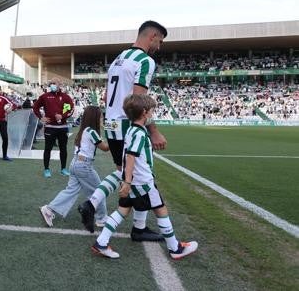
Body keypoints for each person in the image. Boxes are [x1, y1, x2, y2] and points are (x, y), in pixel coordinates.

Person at [79, 20, 168, 242]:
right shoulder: (145, 61)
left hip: (111, 124)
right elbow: (139, 100)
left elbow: (108, 97)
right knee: (141, 175)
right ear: (153, 36)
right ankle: (133, 225)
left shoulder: (119, 58)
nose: (160, 46)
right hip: (128, 125)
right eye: (161, 41)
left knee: (125, 173)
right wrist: (154, 130)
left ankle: (98, 206)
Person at [92, 94, 198, 260]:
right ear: (144, 113)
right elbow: (131, 156)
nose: (152, 114)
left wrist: (127, 181)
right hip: (142, 183)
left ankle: (101, 242)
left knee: (122, 211)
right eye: (151, 111)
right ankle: (175, 248)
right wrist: (127, 182)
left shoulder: (131, 130)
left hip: (134, 181)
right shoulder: (140, 134)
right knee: (161, 210)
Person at [40, 106, 109, 227]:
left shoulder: (84, 130)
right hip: (83, 165)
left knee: (70, 191)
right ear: (95, 117)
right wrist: (117, 139)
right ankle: (102, 219)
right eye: (100, 115)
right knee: (99, 191)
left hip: (75, 164)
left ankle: (49, 209)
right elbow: (105, 148)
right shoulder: (91, 131)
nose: (102, 117)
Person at [32, 78, 74, 178]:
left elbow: (70, 109)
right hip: (50, 127)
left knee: (63, 149)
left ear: (60, 84)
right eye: (51, 83)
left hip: (63, 127)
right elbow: (35, 107)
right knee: (48, 149)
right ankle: (46, 169)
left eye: (54, 83)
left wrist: (62, 116)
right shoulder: (45, 96)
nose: (52, 85)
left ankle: (63, 169)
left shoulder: (65, 97)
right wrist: (41, 117)